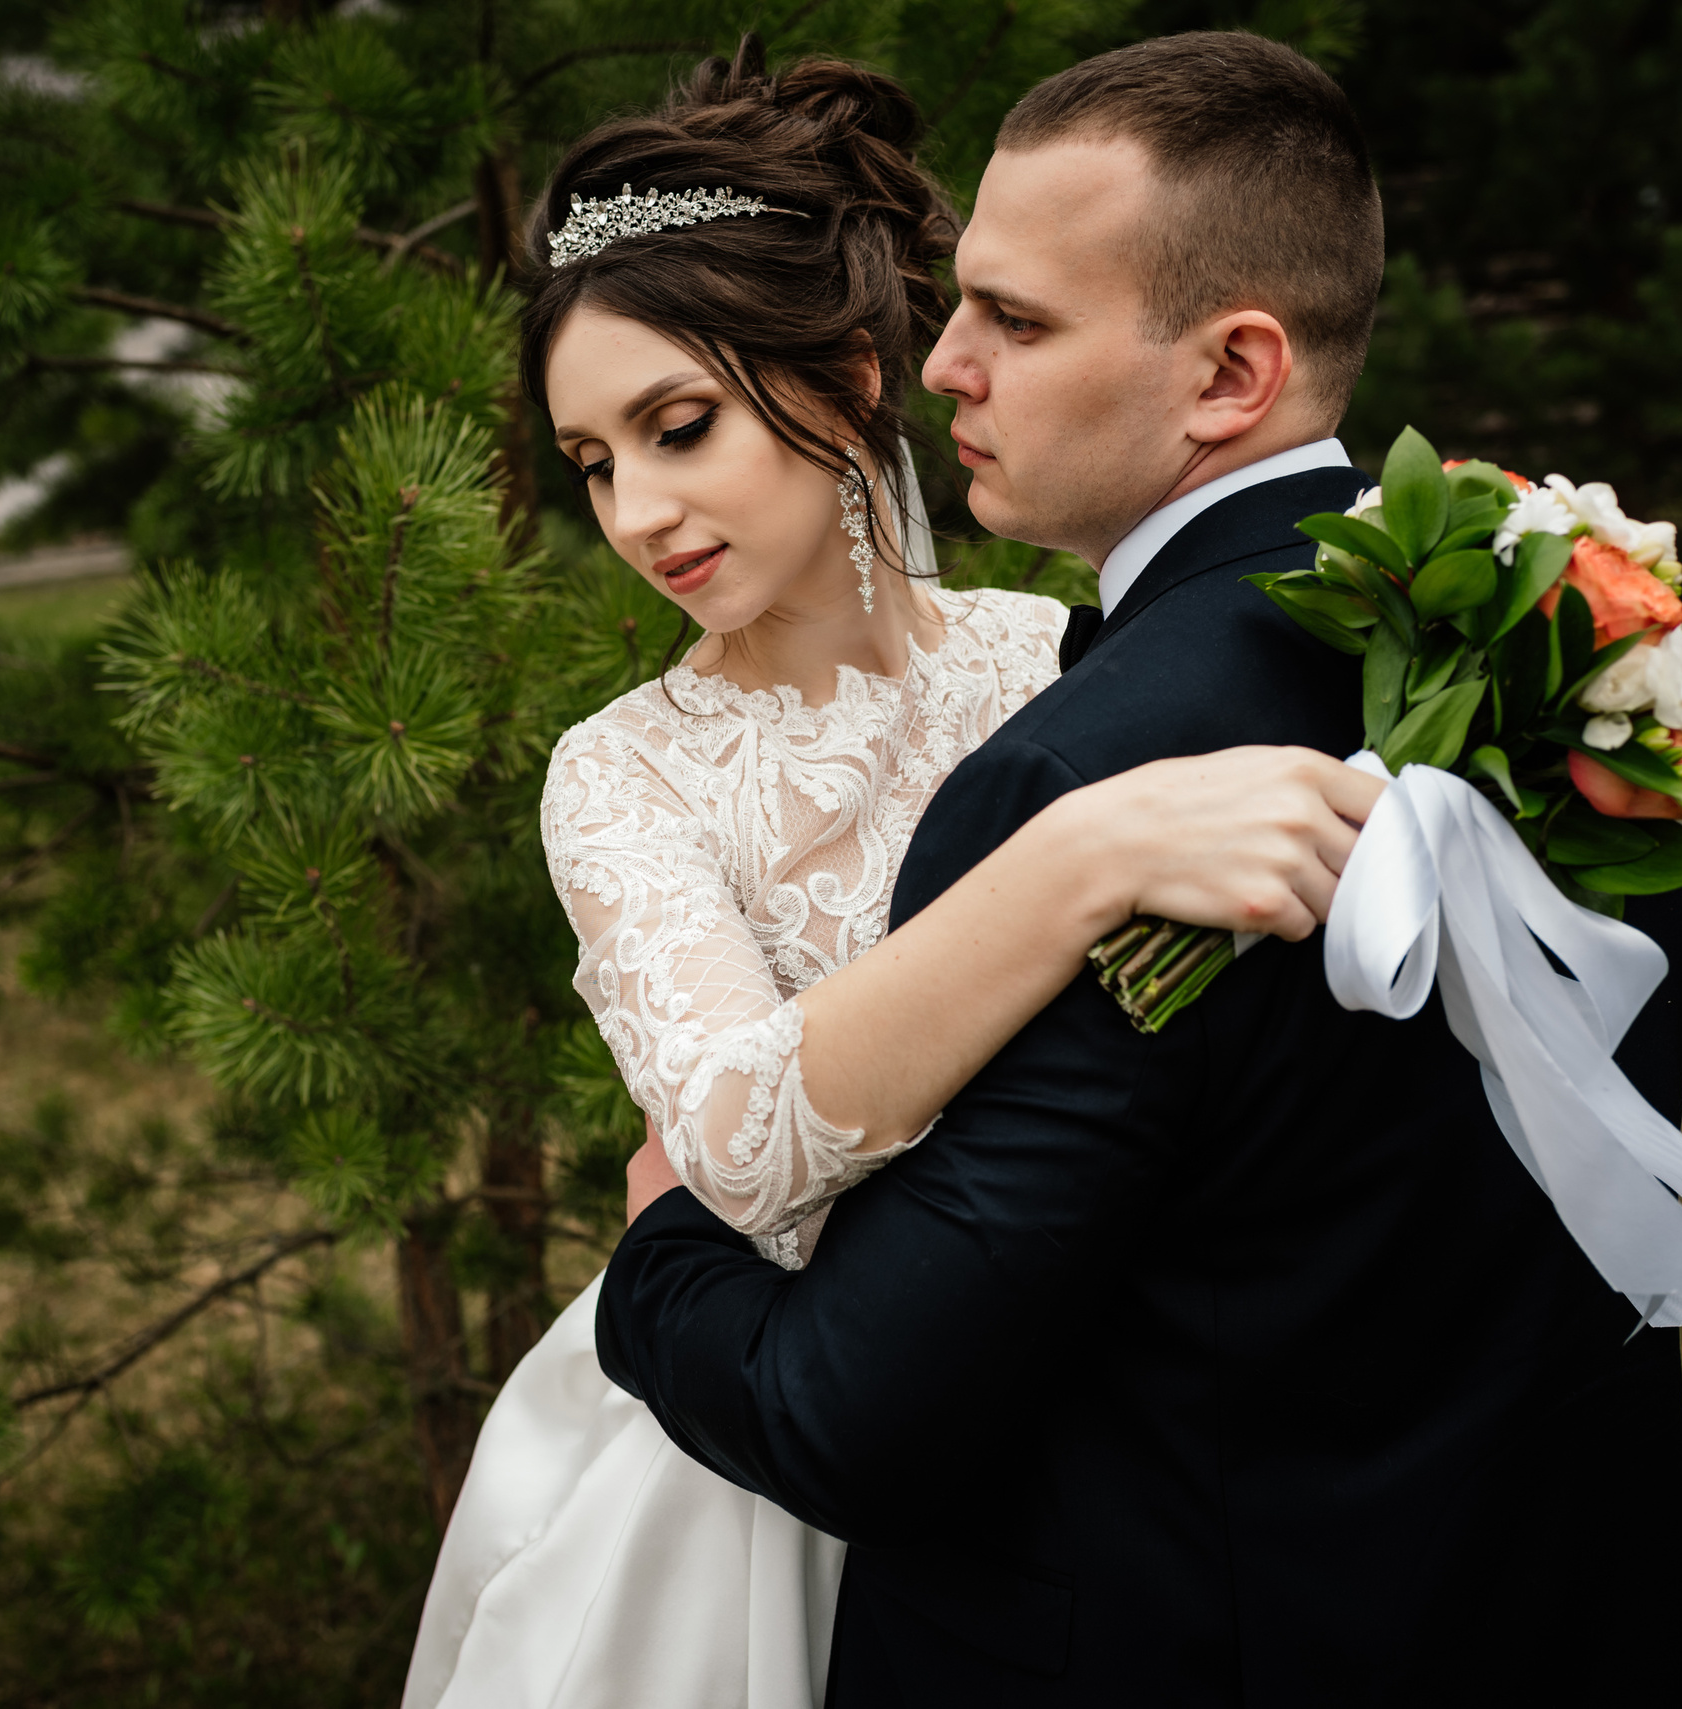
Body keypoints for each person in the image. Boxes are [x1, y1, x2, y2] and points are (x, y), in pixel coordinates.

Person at [594, 31, 1682, 1709]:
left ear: (1229, 373)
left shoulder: (1077, 774)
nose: (943, 363)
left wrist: (662, 1251)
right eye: (958, 303)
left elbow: (857, 1416)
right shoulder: (1565, 626)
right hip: (1546, 1599)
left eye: (1018, 322)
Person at [403, 47, 1382, 1709]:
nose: (639, 512)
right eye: (592, 461)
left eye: (680, 424)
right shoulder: (621, 776)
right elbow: (731, 1146)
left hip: (1064, 1417)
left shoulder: (1057, 663)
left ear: (853, 378)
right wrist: (1070, 864)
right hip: (748, 1454)